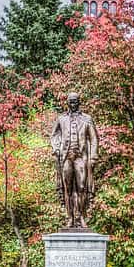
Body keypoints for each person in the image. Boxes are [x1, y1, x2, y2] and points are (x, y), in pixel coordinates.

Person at [49, 93, 99, 229]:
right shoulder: (61, 119)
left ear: (79, 102)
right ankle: (70, 217)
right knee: (68, 188)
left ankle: (81, 216)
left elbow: (94, 138)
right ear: (67, 103)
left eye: (75, 101)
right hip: (66, 157)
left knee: (82, 187)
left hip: (81, 156)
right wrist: (56, 148)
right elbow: (54, 135)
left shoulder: (87, 119)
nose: (73, 104)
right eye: (71, 102)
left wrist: (93, 156)